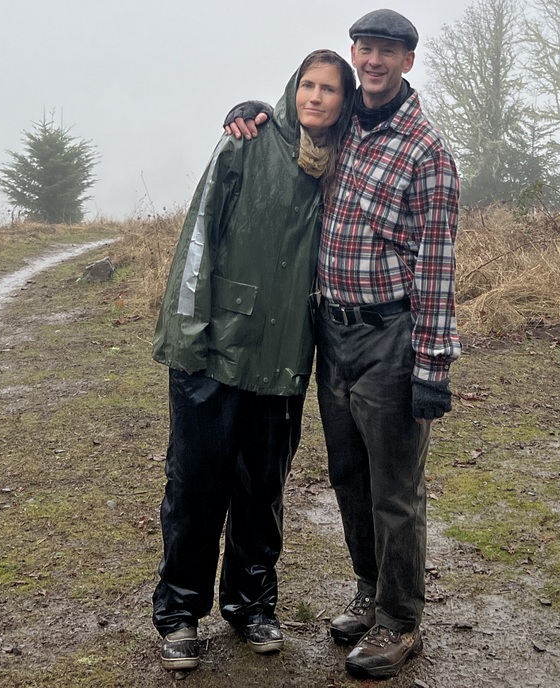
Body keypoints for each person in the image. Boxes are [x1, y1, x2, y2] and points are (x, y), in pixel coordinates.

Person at [226, 8, 460, 680]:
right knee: (348, 476)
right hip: (333, 333)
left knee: (394, 489)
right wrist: (253, 112)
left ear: (408, 61)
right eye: (365, 48)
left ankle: (400, 621)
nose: (374, 60)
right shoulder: (348, 122)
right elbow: (301, 114)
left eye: (388, 51)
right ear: (355, 54)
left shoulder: (427, 153)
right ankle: (369, 589)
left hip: (391, 337)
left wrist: (432, 366)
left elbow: (436, 266)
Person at [151, 49, 357, 673]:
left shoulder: (343, 163)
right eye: (308, 85)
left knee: (261, 490)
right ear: (293, 89)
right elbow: (199, 237)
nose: (315, 97)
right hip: (214, 350)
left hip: (284, 356)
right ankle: (180, 613)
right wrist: (187, 337)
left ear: (344, 101)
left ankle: (251, 605)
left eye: (329, 89)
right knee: (195, 486)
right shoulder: (248, 142)